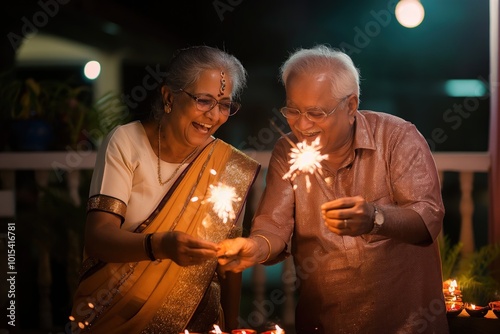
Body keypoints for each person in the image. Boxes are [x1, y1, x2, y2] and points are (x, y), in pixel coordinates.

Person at [217, 45, 449, 333]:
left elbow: (428, 219)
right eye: (293, 110)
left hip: (406, 324)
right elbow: (273, 227)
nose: (302, 125)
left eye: (315, 113)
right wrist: (254, 247)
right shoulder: (287, 150)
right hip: (324, 322)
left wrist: (374, 218)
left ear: (350, 106)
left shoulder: (397, 138)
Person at [69, 45, 260, 334]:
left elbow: (227, 263)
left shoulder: (229, 166)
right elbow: (98, 237)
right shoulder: (126, 142)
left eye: (224, 105)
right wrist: (158, 245)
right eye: (204, 100)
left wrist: (232, 327)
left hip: (196, 321)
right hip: (113, 314)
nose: (214, 116)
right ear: (169, 96)